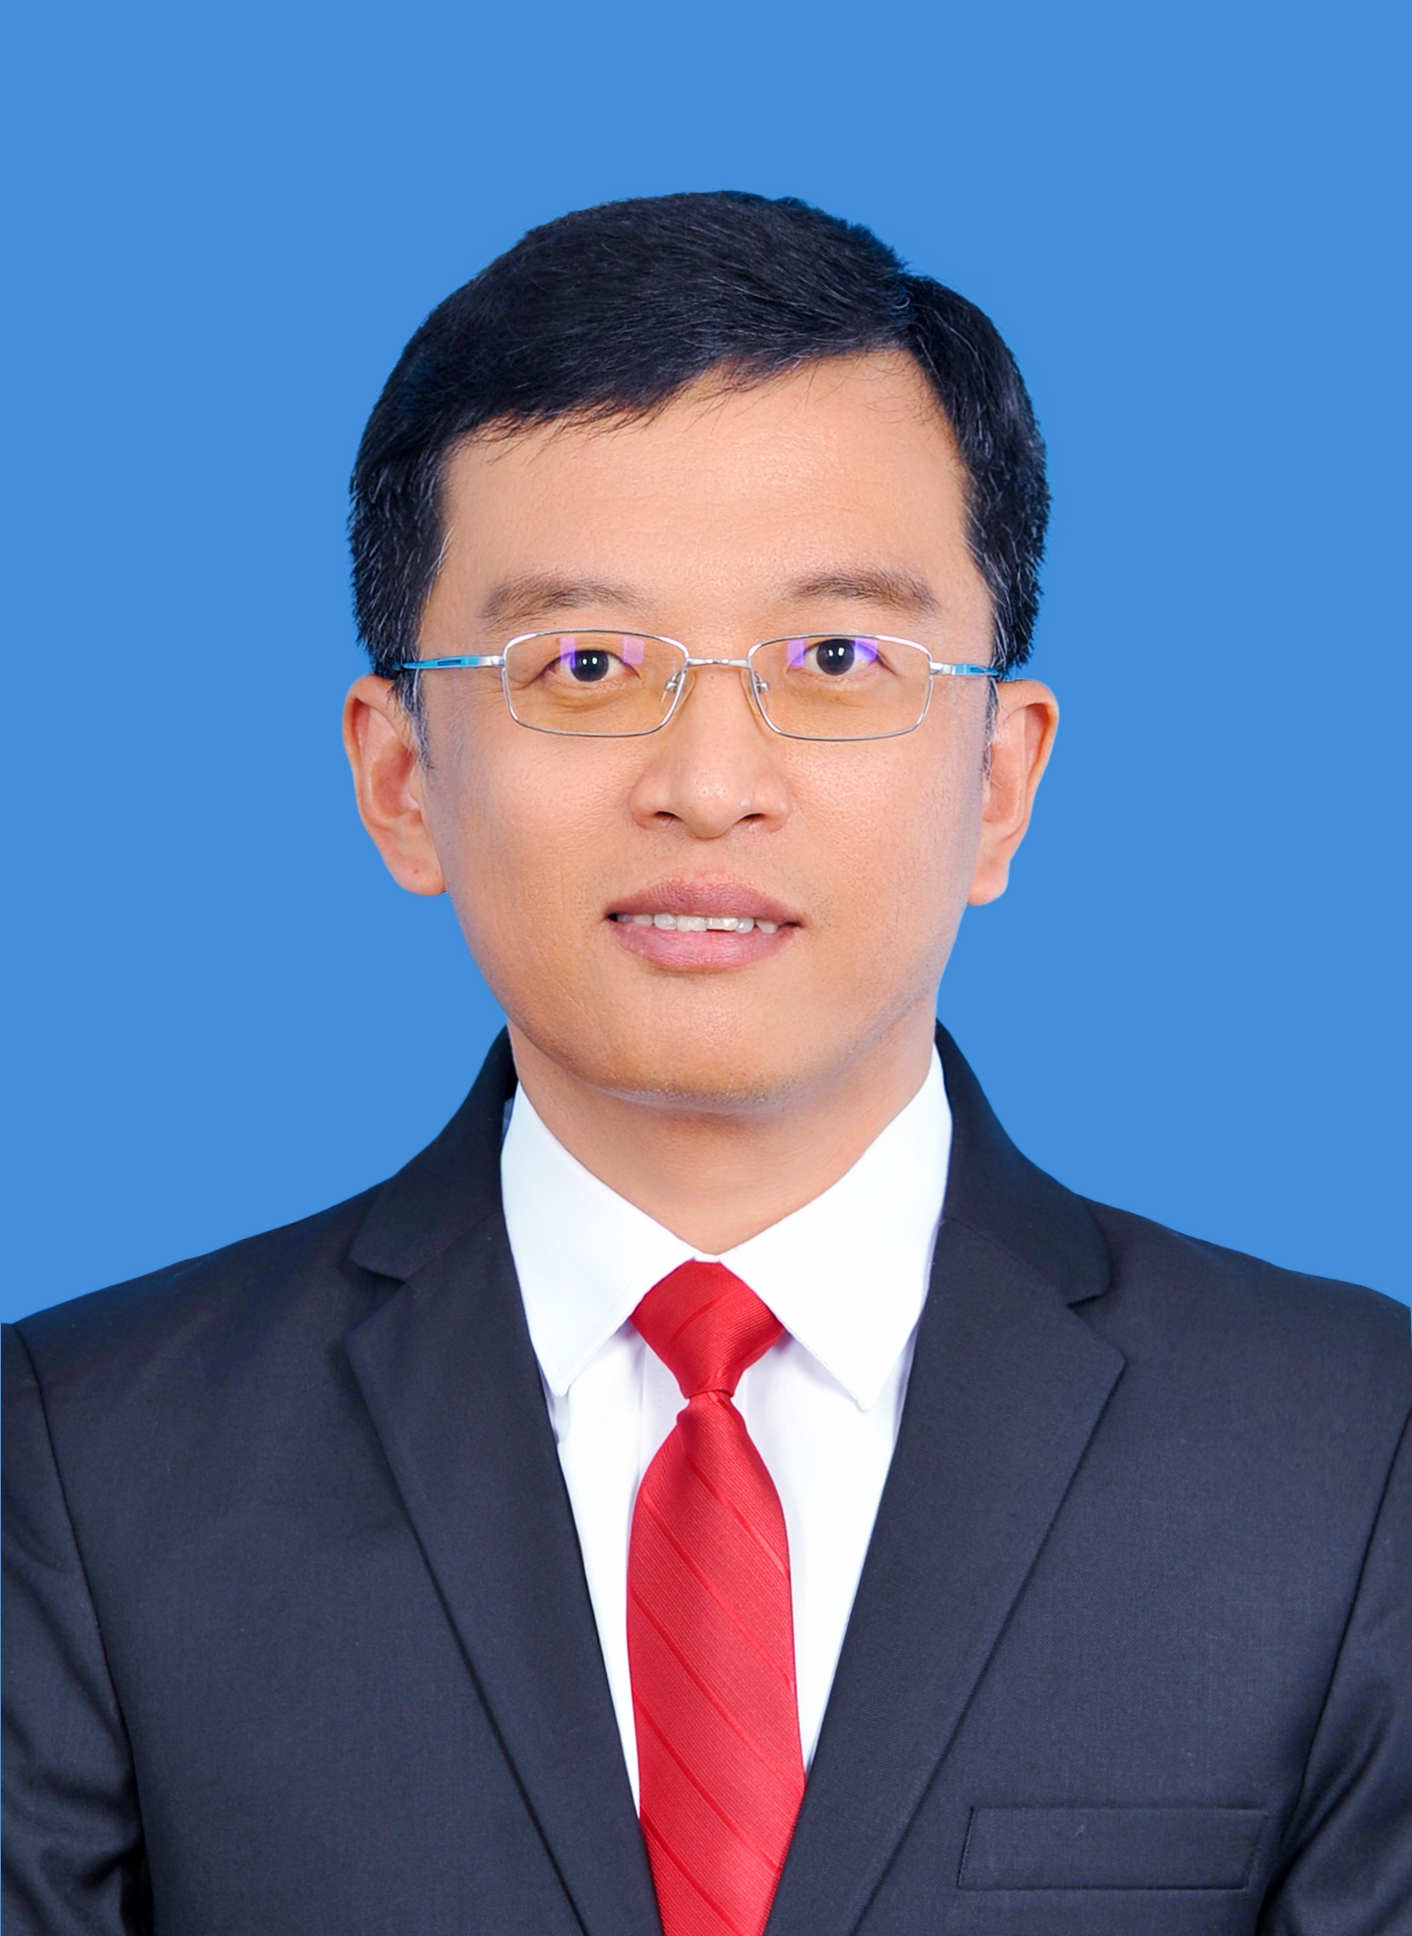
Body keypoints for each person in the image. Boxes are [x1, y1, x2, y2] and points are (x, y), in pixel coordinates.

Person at [4, 192, 1407, 1936]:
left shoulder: (1353, 1450)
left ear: (999, 779)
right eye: (586, 664)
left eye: (837, 659)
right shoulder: (84, 1460)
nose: (710, 783)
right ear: (401, 778)